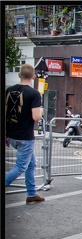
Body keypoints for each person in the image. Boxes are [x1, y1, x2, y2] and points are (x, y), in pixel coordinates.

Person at [5, 64, 45, 204]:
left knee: (31, 164)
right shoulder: (34, 94)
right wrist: (41, 112)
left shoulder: (9, 90)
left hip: (11, 135)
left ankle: (32, 194)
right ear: (33, 76)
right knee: (20, 167)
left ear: (19, 75)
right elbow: (36, 117)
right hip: (25, 137)